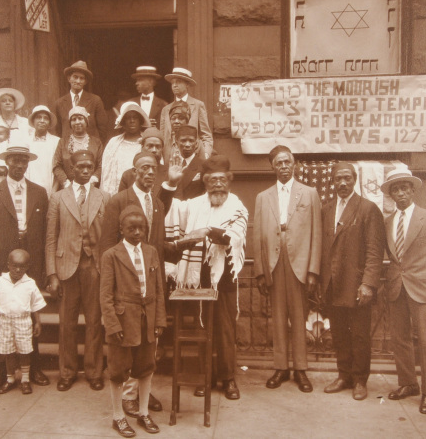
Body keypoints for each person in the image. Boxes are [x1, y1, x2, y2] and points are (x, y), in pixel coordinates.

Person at [164, 155, 248, 400]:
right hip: (197, 274)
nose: (218, 185)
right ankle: (206, 377)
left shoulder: (237, 205)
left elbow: (235, 235)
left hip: (224, 275)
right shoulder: (194, 204)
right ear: (205, 182)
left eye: (222, 180)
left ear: (229, 181)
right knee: (202, 327)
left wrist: (208, 232)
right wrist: (170, 184)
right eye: (212, 180)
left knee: (225, 329)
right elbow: (166, 211)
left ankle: (228, 378)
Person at [100, 151, 175, 417]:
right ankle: (128, 397)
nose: (150, 173)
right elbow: (108, 244)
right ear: (134, 171)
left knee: (145, 343)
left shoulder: (157, 203)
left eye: (154, 168)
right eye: (144, 168)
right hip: (124, 283)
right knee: (129, 342)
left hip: (148, 280)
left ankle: (138, 392)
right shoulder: (118, 201)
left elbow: (156, 244)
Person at [382, 168, 426, 415]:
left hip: (425, 289)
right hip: (396, 287)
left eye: (405, 188)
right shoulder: (388, 222)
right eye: (396, 189)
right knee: (399, 339)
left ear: (413, 190)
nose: (401, 193)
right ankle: (408, 384)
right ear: (390, 194)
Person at [0, 142, 50, 390]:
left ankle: (35, 368)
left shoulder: (40, 192)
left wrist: (44, 270)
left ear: (28, 163)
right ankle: (0, 372)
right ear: (7, 162)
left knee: (31, 317)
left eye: (23, 161)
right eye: (15, 160)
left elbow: (45, 235)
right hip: (4, 265)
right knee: (5, 321)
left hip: (31, 264)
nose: (19, 165)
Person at [253, 145, 321, 393]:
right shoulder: (263, 197)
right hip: (274, 262)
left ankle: (300, 369)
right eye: (279, 163)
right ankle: (280, 367)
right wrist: (261, 271)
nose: (283, 166)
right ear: (273, 167)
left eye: (287, 162)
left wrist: (313, 270)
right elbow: (258, 235)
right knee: (278, 317)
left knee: (299, 316)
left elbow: (316, 233)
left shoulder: (309, 193)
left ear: (294, 165)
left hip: (299, 263)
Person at [319, 162, 385, 400]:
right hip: (333, 285)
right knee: (339, 334)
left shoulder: (368, 209)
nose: (343, 183)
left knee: (359, 335)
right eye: (338, 179)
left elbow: (375, 251)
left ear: (355, 180)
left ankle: (359, 380)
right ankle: (344, 375)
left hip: (357, 286)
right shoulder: (326, 209)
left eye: (347, 178)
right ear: (333, 182)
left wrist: (368, 283)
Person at [46, 150, 110, 392]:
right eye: (80, 166)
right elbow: (51, 238)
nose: (85, 170)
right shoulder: (58, 198)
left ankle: (94, 371)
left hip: (94, 267)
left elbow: (109, 238)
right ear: (71, 169)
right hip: (66, 268)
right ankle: (67, 372)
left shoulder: (104, 196)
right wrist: (52, 274)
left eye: (89, 166)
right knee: (67, 323)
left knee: (95, 321)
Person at [100, 205, 166, 437]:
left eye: (141, 228)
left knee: (146, 368)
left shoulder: (151, 252)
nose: (137, 232)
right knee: (118, 370)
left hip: (147, 320)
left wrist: (159, 320)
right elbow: (106, 295)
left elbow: (158, 290)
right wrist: (113, 324)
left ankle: (143, 412)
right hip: (122, 320)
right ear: (121, 229)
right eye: (132, 228)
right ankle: (118, 416)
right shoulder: (111, 255)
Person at [0, 249, 46, 395]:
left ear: (27, 267)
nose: (18, 270)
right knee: (8, 352)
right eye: (14, 266)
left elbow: (35, 304)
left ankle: (25, 379)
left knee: (24, 351)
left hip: (23, 321)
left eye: (22, 267)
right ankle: (10, 379)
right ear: (8, 265)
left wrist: (38, 322)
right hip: (5, 322)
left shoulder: (30, 283)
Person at [160, 67, 212, 162]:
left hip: (193, 156)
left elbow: (206, 135)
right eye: (173, 82)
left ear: (187, 84)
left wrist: (205, 154)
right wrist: (162, 158)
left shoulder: (197, 105)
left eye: (178, 82)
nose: (174, 85)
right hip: (170, 158)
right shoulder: (166, 109)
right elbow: (163, 136)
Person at [101, 102, 151, 196]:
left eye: (135, 117)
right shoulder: (114, 143)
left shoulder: (147, 143)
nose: (132, 121)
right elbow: (106, 171)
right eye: (128, 118)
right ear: (123, 122)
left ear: (140, 120)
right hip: (117, 191)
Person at [54, 60, 107, 142]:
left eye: (81, 78)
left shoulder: (95, 100)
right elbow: (57, 130)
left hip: (88, 149)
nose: (78, 81)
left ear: (85, 81)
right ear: (69, 78)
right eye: (75, 77)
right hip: (67, 149)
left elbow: (103, 129)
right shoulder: (59, 103)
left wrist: (96, 148)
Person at [53, 106, 103, 189]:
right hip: (68, 188)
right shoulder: (63, 142)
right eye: (73, 119)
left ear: (86, 122)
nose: (77, 122)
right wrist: (66, 183)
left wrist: (92, 181)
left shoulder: (96, 142)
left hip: (91, 187)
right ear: (70, 123)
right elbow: (56, 166)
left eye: (80, 118)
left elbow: (101, 165)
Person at [118, 127, 168, 196]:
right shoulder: (128, 175)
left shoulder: (169, 174)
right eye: (150, 146)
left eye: (158, 147)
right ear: (142, 147)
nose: (154, 150)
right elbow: (122, 202)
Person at [25, 105, 61, 197]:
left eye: (45, 118)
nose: (42, 120)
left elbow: (59, 167)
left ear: (49, 123)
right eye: (38, 117)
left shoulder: (56, 141)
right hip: (28, 188)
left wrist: (54, 191)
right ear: (33, 121)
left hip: (49, 189)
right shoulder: (25, 141)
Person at [170, 124, 205, 200]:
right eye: (183, 140)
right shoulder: (170, 165)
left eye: (191, 141)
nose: (187, 145)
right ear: (176, 143)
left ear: (196, 144)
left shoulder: (203, 166)